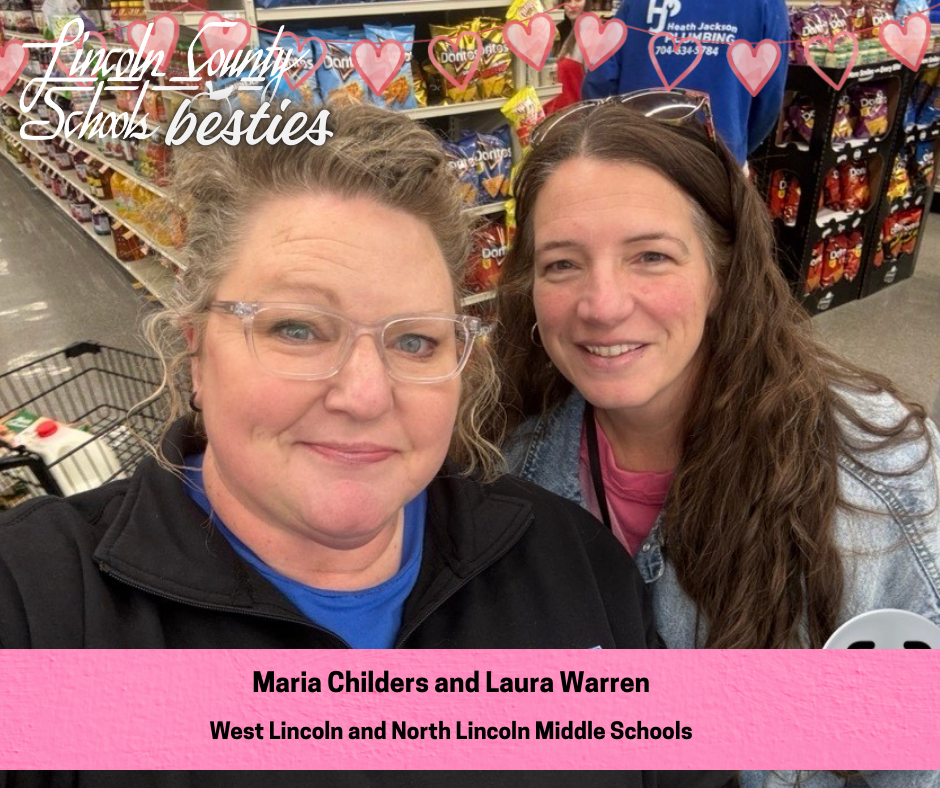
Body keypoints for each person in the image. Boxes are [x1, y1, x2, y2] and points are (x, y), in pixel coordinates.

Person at [0, 102, 659, 653]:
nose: (365, 396)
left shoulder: (573, 568)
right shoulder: (42, 606)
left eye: (414, 340)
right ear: (195, 352)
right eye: (298, 330)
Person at [489, 99, 940, 788]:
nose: (602, 303)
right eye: (562, 265)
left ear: (723, 273)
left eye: (651, 256)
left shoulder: (878, 480)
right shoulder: (509, 468)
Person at [581, 0, 789, 162]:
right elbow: (769, 99)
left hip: (638, 153)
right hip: (717, 160)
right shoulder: (766, 4)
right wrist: (736, 144)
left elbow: (601, 81)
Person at [543, 0, 592, 116]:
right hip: (560, 114)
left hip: (577, 116)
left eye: (578, 0)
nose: (572, 5)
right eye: (568, 1)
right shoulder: (565, 33)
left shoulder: (590, 34)